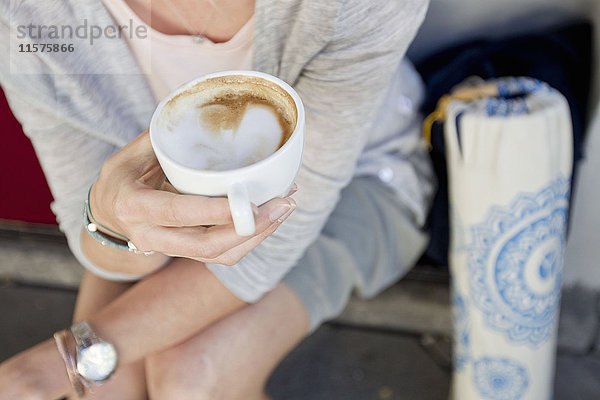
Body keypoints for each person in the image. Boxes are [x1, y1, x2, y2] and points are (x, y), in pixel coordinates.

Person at [0, 0, 434, 398]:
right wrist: (113, 221)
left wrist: (65, 359)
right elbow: (89, 226)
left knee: (193, 378)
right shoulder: (26, 13)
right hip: (175, 199)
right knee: (105, 392)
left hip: (361, 180)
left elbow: (284, 226)